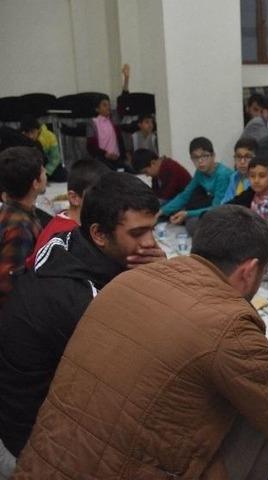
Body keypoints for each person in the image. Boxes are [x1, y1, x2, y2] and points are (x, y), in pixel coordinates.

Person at [13, 205, 268, 478]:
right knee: (266, 418)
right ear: (249, 271)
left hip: (40, 461)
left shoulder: (129, 279)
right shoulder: (229, 324)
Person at [0, 173, 163, 462]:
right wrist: (157, 278)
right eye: (138, 234)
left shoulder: (67, 242)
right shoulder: (78, 299)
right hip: (37, 441)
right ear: (99, 234)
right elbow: (144, 364)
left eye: (153, 229)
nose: (151, 244)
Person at [24, 159, 110, 269]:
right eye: (98, 194)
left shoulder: (64, 222)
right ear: (74, 198)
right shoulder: (67, 236)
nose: (108, 200)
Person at [0, 147, 46, 311]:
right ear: (35, 183)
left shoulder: (10, 211)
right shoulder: (20, 226)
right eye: (42, 171)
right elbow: (9, 284)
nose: (46, 172)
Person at [159, 137, 232, 234]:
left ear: (213, 156)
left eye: (205, 156)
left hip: (226, 210)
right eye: (195, 158)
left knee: (192, 224)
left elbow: (217, 208)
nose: (200, 161)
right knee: (166, 208)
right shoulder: (200, 172)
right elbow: (185, 195)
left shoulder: (222, 174)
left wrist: (188, 214)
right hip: (210, 206)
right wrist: (162, 211)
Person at [19, 115, 64, 182]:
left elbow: (55, 158)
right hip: (29, 166)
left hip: (46, 165)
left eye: (33, 132)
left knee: (62, 174)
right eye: (27, 133)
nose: (30, 136)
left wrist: (45, 173)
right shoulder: (19, 138)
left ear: (38, 129)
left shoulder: (50, 136)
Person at [87, 95, 126, 170]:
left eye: (109, 105)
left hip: (118, 159)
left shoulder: (114, 119)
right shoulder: (92, 123)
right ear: (97, 109)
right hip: (102, 160)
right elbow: (90, 146)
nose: (108, 107)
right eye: (104, 105)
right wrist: (105, 154)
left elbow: (122, 106)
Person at [221, 137, 257, 204]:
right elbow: (225, 202)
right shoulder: (234, 177)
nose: (242, 161)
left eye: (248, 157)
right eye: (239, 156)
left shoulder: (257, 181)